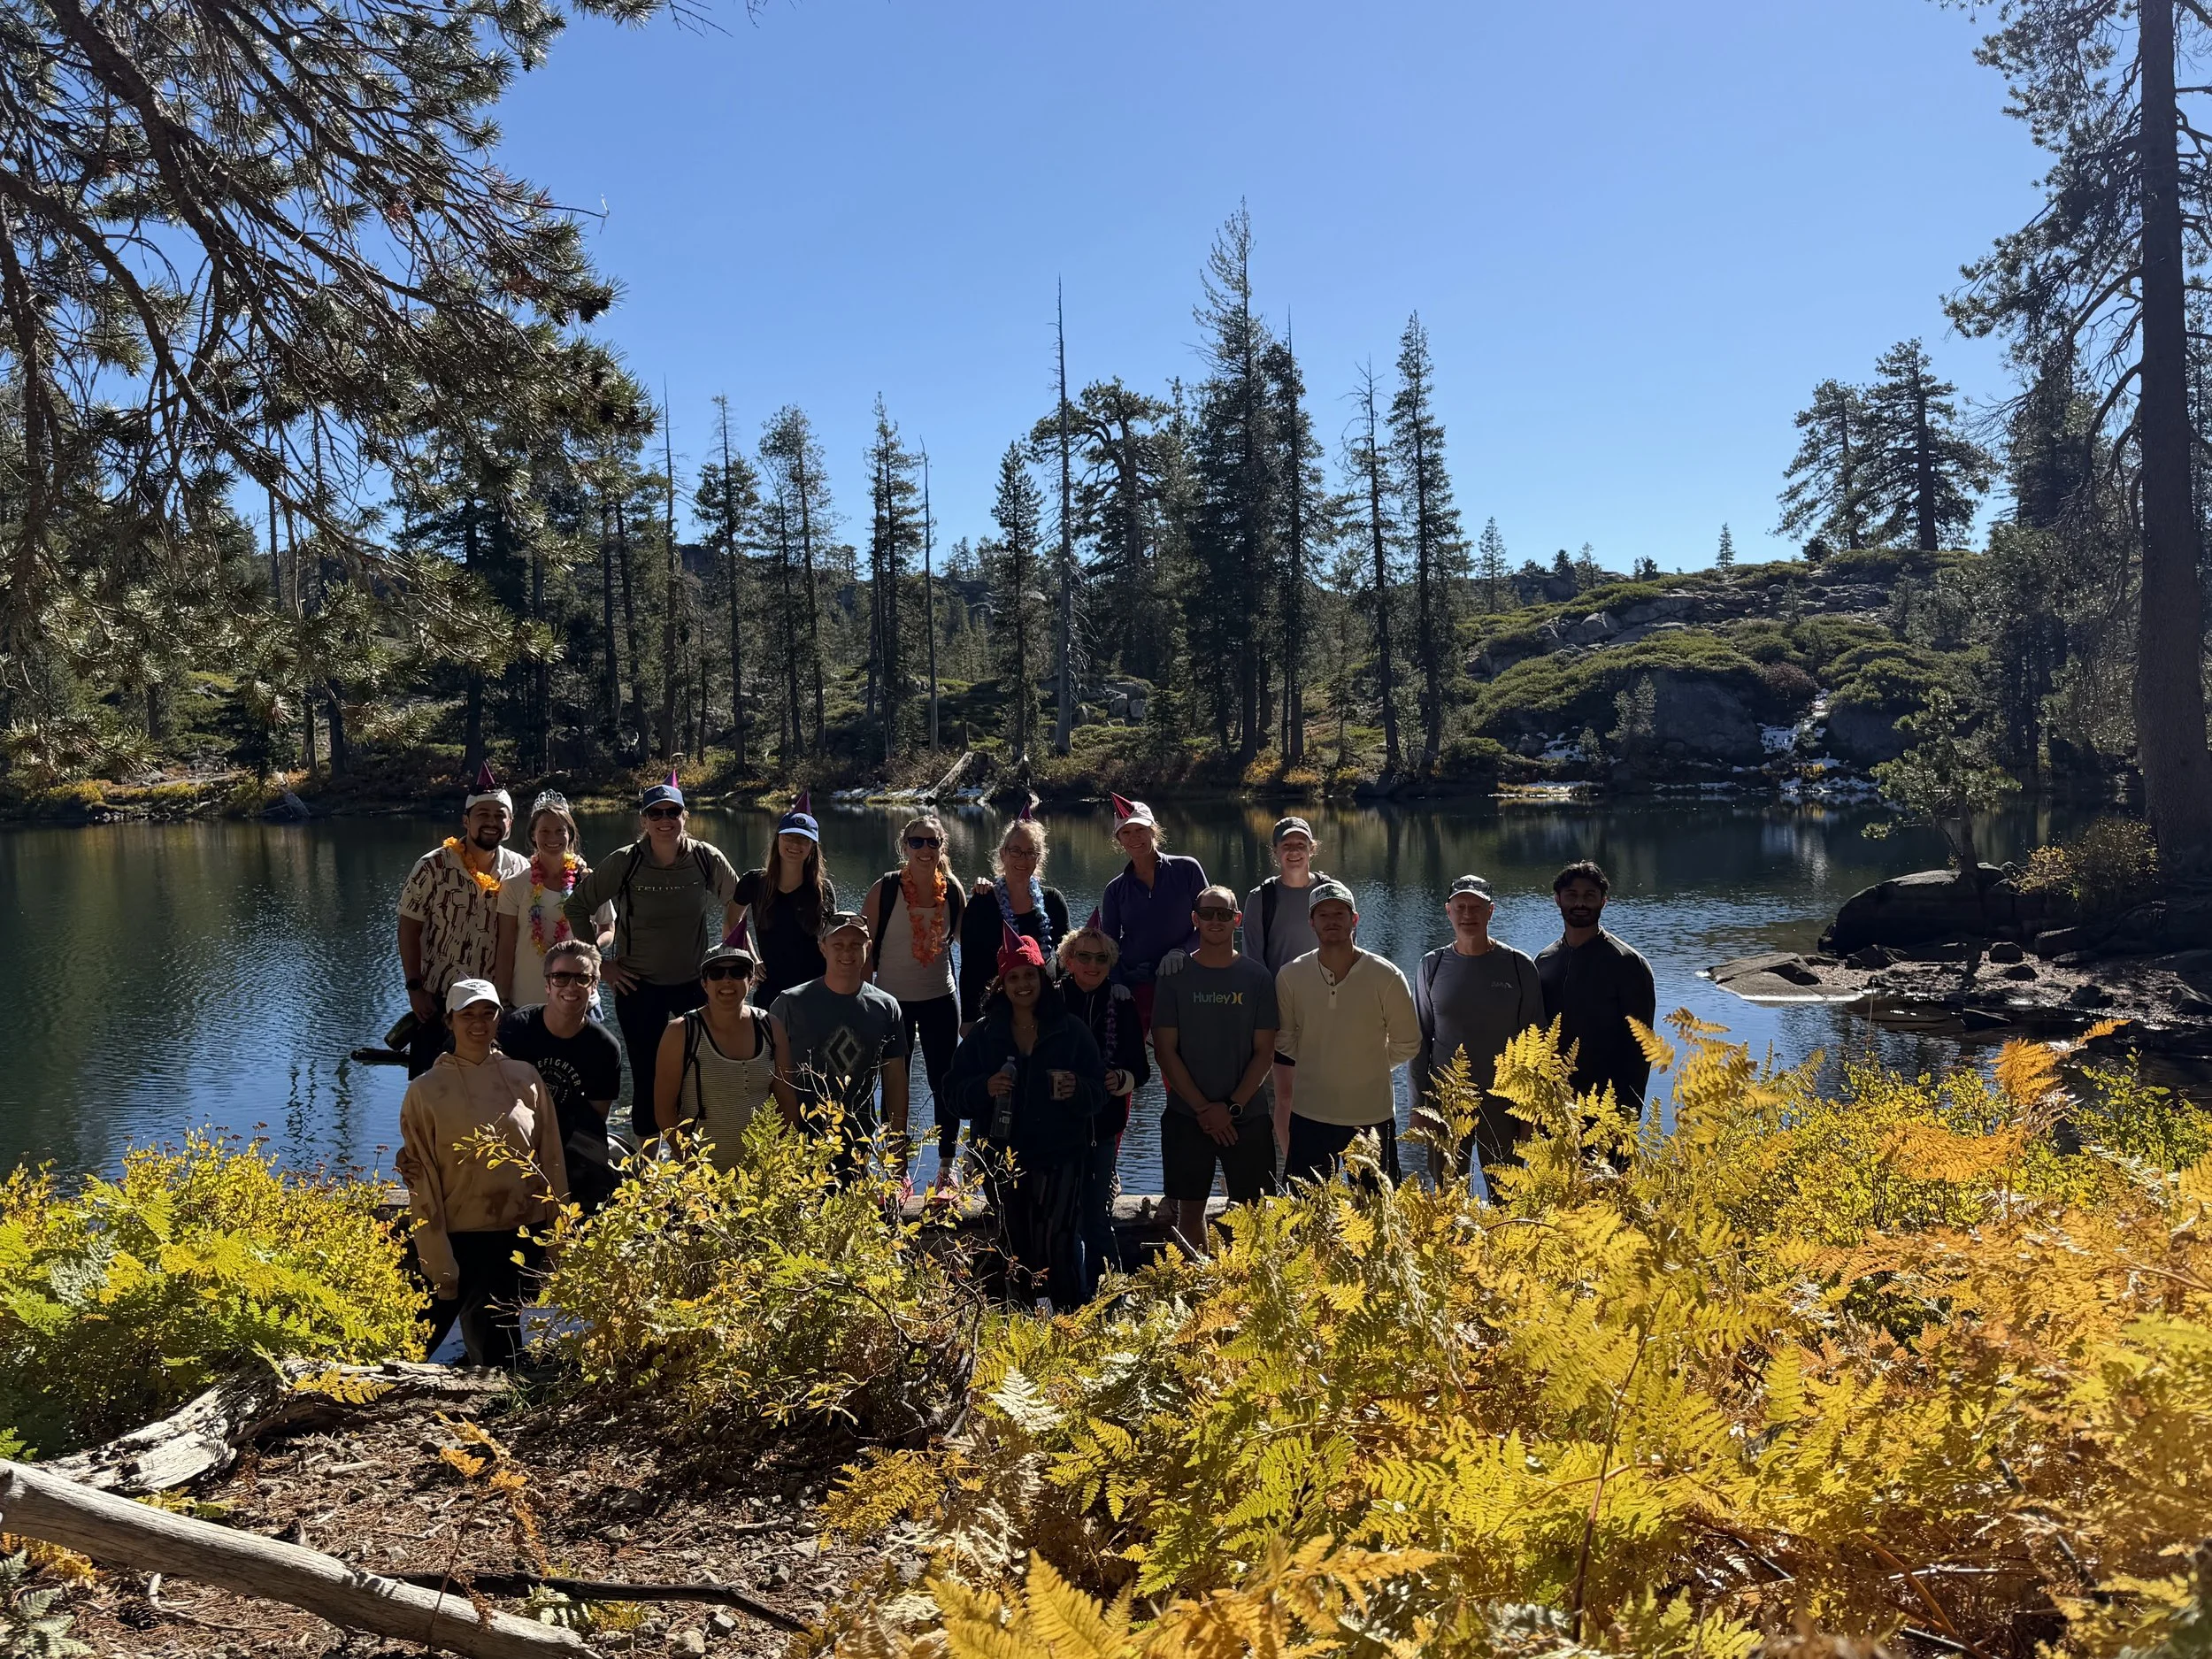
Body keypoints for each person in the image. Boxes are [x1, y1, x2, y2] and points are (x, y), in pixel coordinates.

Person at [396, 979, 568, 1368]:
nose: (478, 1023)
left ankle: (497, 1417)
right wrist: (436, 1253)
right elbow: (421, 1176)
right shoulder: (425, 1089)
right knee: (414, 1342)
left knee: (500, 1352)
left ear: (498, 1019)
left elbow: (551, 1157)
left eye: (487, 1013)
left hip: (518, 1232)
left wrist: (559, 1232)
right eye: (467, 1014)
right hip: (457, 1233)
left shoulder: (525, 1078)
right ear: (450, 1021)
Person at [563, 772, 741, 1140]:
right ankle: (647, 1177)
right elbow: (577, 907)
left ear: (684, 816)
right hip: (638, 988)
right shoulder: (626, 862)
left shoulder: (705, 859)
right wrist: (601, 964)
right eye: (655, 813)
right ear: (643, 820)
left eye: (672, 812)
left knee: (701, 1074)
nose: (664, 820)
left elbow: (738, 902)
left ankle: (700, 1164)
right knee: (647, 1077)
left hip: (695, 985)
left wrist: (736, 952)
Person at [949, 926, 1106, 1306]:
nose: (1022, 984)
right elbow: (953, 1095)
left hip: (1061, 1156)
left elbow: (1099, 1094)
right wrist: (984, 1088)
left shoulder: (1072, 1032)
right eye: (1013, 977)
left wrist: (1077, 1090)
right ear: (1002, 984)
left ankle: (1068, 1323)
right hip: (1001, 1158)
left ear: (1043, 978)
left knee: (1058, 1241)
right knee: (1014, 1244)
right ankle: (1018, 1327)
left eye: (1030, 975)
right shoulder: (984, 1036)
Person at [1152, 884, 1279, 1251]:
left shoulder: (1258, 978)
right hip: (1187, 1116)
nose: (1215, 921)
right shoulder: (1174, 977)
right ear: (1195, 919)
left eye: (1224, 914)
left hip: (1247, 1117)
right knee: (1189, 1212)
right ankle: (1199, 1294)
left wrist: (1231, 1108)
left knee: (1252, 1213)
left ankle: (1246, 1293)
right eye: (1207, 913)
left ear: (1237, 920)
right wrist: (1204, 1109)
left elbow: (1265, 1053)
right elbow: (1164, 1050)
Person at [1274, 879, 1420, 1187]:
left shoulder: (1387, 976)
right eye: (1323, 915)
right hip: (1310, 1114)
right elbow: (1284, 1038)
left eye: (1340, 914)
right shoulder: (1290, 976)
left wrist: (1367, 1062)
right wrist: (1324, 1058)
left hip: (1372, 1117)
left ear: (1354, 920)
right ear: (1311, 922)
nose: (1332, 921)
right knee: (1305, 1214)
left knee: (1377, 1217)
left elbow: (1408, 1043)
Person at [396, 764, 530, 1077]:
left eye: (500, 816)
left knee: (492, 1090)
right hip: (438, 1002)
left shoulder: (521, 869)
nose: (492, 822)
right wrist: (415, 988)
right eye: (483, 815)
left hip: (494, 1006)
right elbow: (408, 928)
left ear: (510, 824)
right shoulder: (433, 866)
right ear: (466, 820)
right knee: (430, 1091)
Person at [1413, 875, 1544, 1183]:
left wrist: (1529, 1114)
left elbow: (1536, 1044)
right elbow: (1418, 1043)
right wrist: (1419, 1107)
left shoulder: (1518, 965)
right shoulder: (1431, 966)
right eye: (1460, 907)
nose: (1468, 914)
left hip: (1505, 1106)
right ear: (1448, 911)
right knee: (1447, 1201)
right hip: (1447, 1105)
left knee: (1507, 1197)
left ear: (1491, 911)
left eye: (1476, 907)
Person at [769, 910, 910, 1179]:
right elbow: (769, 1079)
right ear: (823, 948)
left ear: (868, 948)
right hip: (798, 1150)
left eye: (856, 945)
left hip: (859, 1147)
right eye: (838, 945)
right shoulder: (789, 1004)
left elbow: (895, 1082)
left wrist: (897, 1149)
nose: (848, 953)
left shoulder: (886, 1007)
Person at [866, 813, 967, 1184]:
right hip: (892, 1004)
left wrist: (987, 893)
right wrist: (863, 1003)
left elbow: (970, 945)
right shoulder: (886, 888)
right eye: (917, 842)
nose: (925, 849)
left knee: (947, 1082)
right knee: (895, 1085)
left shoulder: (953, 890)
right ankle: (896, 1171)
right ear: (904, 846)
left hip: (941, 998)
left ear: (942, 847)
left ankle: (946, 1167)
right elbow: (863, 950)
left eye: (932, 842)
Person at [495, 940, 623, 1215]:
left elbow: (597, 1116)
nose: (571, 986)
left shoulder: (605, 1047)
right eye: (561, 977)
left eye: (582, 978)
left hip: (572, 1139)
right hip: (518, 1132)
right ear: (547, 984)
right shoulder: (515, 1028)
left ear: (594, 986)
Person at [1057, 924, 1148, 1299]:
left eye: (1101, 958)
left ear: (1110, 964)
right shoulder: (1052, 1001)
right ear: (1069, 961)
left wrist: (1121, 1078)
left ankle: (1113, 1298)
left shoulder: (1122, 1003)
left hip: (1104, 1128)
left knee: (1095, 1215)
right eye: (1084, 957)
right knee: (1066, 1218)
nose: (1092, 965)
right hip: (1059, 1131)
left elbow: (1141, 1070)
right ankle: (1072, 1299)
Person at [1535, 861, 1658, 1116]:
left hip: (1607, 1106)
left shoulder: (1628, 963)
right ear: (1558, 900)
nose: (1580, 904)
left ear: (1604, 901)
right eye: (1572, 895)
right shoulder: (1544, 961)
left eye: (1590, 896)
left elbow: (1641, 1047)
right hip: (1552, 1103)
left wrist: (1628, 1111)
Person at [654, 934, 779, 1171]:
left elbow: (786, 1103)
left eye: (738, 973)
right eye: (717, 974)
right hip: (702, 1179)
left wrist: (778, 1163)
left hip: (762, 1176)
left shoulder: (771, 1027)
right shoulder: (681, 1032)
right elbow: (663, 1109)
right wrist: (690, 1162)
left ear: (751, 980)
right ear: (704, 984)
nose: (727, 980)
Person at [1243, 815, 1323, 1150]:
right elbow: (1254, 963)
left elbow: (1346, 950)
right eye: (1287, 845)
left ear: (1312, 849)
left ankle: (1328, 1177)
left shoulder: (1329, 893)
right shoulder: (1261, 898)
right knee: (1285, 1098)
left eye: (1300, 844)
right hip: (1280, 1013)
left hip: (1324, 1010)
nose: (1294, 851)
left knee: (1326, 1097)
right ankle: (1294, 1171)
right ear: (1275, 851)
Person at [1097, 795, 1209, 1034]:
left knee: (1182, 1056)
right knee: (1130, 1057)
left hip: (1184, 980)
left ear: (1154, 831)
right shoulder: (1115, 890)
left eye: (1140, 829)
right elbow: (1110, 944)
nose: (1134, 837)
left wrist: (1183, 951)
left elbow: (1210, 925)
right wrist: (1116, 982)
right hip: (1137, 983)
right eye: (1126, 833)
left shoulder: (1187, 869)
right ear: (1118, 840)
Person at [494, 791, 614, 1010]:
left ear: (570, 835)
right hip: (527, 1000)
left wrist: (589, 947)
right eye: (545, 831)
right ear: (533, 835)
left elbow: (608, 928)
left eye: (560, 831)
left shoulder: (588, 880)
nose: (553, 838)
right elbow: (505, 947)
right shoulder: (514, 885)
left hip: (581, 1000)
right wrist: (502, 999)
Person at [960, 809, 1071, 1030]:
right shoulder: (982, 903)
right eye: (1016, 851)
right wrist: (969, 1019)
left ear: (1039, 858)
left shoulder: (1053, 901)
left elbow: (1065, 963)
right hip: (993, 1015)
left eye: (1031, 852)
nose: (1023, 858)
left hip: (1044, 1012)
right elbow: (970, 968)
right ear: (1003, 854)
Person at [733, 793, 839, 1006]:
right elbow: (732, 923)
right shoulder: (754, 883)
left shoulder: (823, 890)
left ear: (812, 848)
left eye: (803, 839)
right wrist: (750, 957)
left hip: (815, 992)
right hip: (771, 993)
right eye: (788, 837)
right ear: (777, 839)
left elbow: (834, 943)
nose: (794, 844)